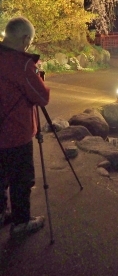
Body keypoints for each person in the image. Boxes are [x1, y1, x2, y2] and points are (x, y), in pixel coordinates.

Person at [0, 16, 50, 237]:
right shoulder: (21, 64)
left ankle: (1, 213)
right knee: (21, 179)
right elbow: (42, 97)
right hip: (15, 134)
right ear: (25, 38)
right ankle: (21, 223)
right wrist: (39, 76)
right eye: (29, 41)